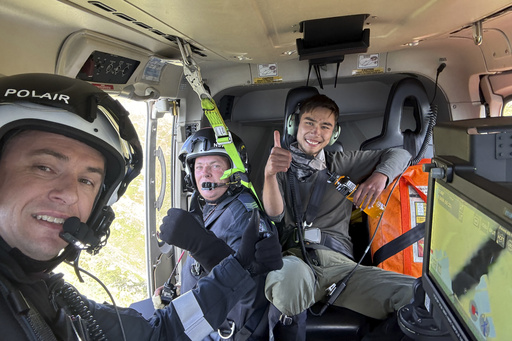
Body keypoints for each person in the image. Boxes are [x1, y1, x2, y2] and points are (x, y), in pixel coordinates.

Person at [0, 73, 282, 341]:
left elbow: (164, 333)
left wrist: (226, 261)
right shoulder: (203, 210)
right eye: (44, 167)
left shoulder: (45, 291)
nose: (68, 194)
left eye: (87, 180)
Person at [262, 93, 416, 340]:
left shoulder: (342, 163)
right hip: (297, 260)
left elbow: (402, 154)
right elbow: (275, 215)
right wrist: (270, 175)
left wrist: (379, 177)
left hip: (343, 269)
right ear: (294, 126)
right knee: (288, 280)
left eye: (326, 126)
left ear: (334, 134)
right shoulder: (279, 163)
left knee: (418, 295)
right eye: (309, 123)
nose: (316, 132)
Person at [157, 128, 279, 340]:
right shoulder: (216, 206)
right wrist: (180, 289)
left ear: (234, 171)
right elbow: (214, 267)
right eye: (199, 166)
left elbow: (246, 286)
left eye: (215, 166)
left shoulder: (241, 214)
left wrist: (199, 244)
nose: (205, 174)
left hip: (224, 331)